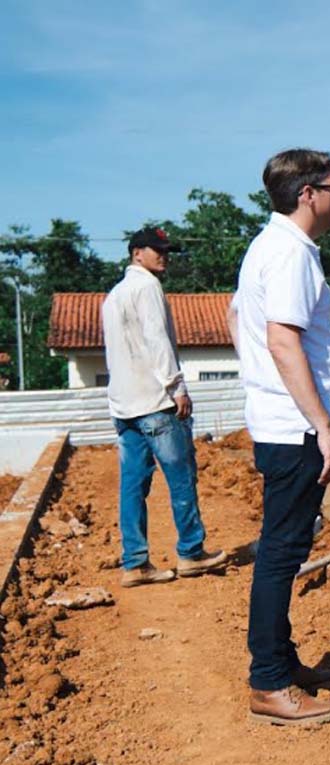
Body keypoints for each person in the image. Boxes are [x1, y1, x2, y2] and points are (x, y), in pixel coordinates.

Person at [228, 148, 330, 726]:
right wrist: (321, 425)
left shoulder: (266, 247)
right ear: (308, 194)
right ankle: (269, 682)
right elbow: (282, 341)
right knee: (281, 553)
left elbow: (235, 320)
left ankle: (281, 662)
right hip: (295, 428)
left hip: (281, 420)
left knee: (284, 548)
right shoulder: (290, 254)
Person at [101, 227, 228, 589]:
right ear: (136, 253)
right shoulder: (147, 287)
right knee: (182, 477)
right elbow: (158, 340)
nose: (164, 256)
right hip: (155, 401)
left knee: (132, 485)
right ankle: (191, 553)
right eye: (156, 250)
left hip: (124, 404)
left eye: (165, 250)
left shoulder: (113, 295)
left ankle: (136, 563)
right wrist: (177, 386)